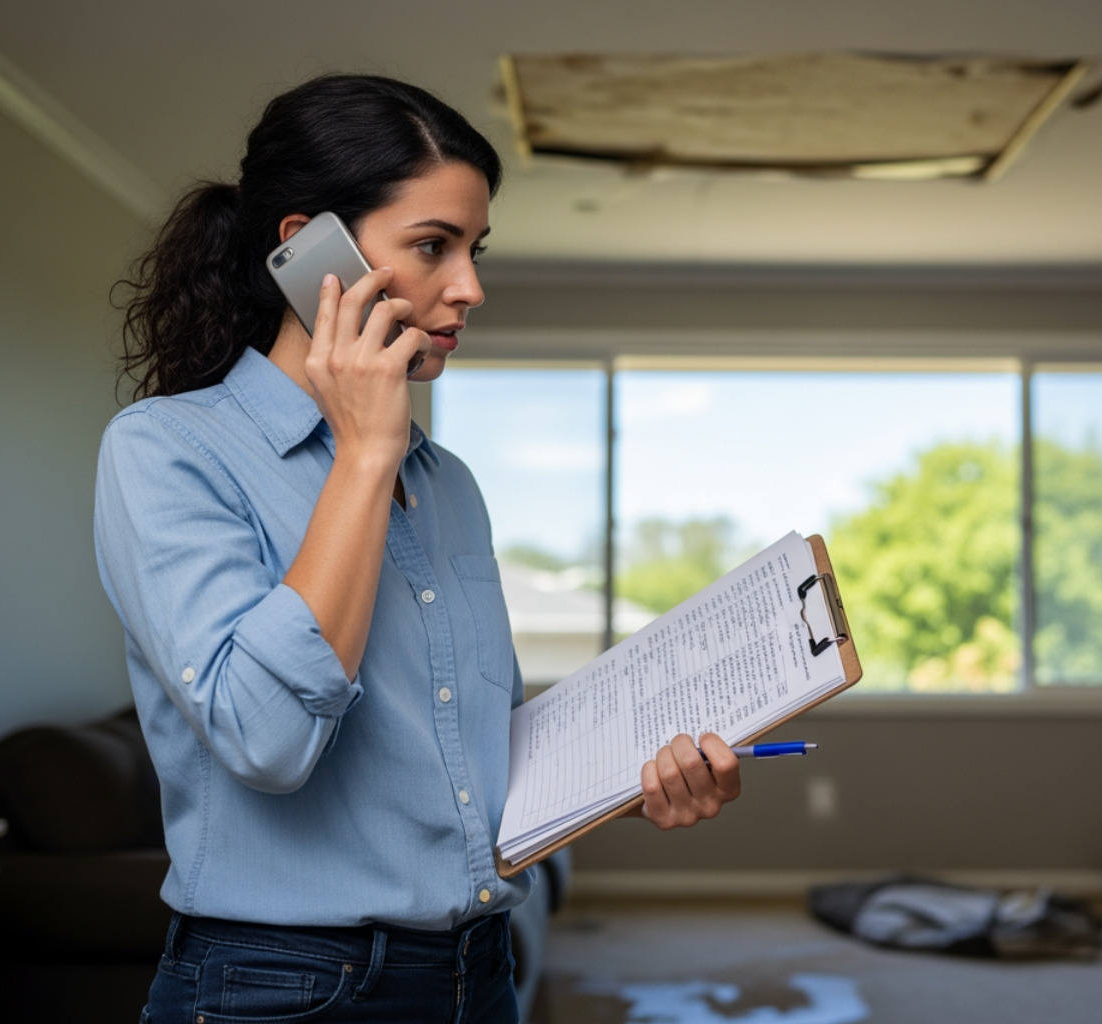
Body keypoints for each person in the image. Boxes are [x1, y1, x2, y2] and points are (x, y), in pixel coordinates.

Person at [95, 74, 742, 1024]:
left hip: (476, 978)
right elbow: (266, 741)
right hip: (281, 989)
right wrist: (363, 450)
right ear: (309, 251)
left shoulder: (451, 486)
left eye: (474, 249)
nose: (471, 287)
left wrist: (628, 778)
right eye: (433, 246)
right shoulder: (166, 451)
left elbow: (471, 749)